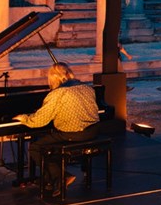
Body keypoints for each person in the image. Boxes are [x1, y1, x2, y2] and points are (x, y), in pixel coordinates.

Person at [14, 63, 100, 197]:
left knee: (35, 147)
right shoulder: (87, 87)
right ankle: (51, 180)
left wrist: (24, 118)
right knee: (51, 142)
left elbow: (39, 121)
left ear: (53, 78)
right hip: (93, 130)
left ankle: (60, 177)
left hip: (74, 134)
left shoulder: (57, 93)